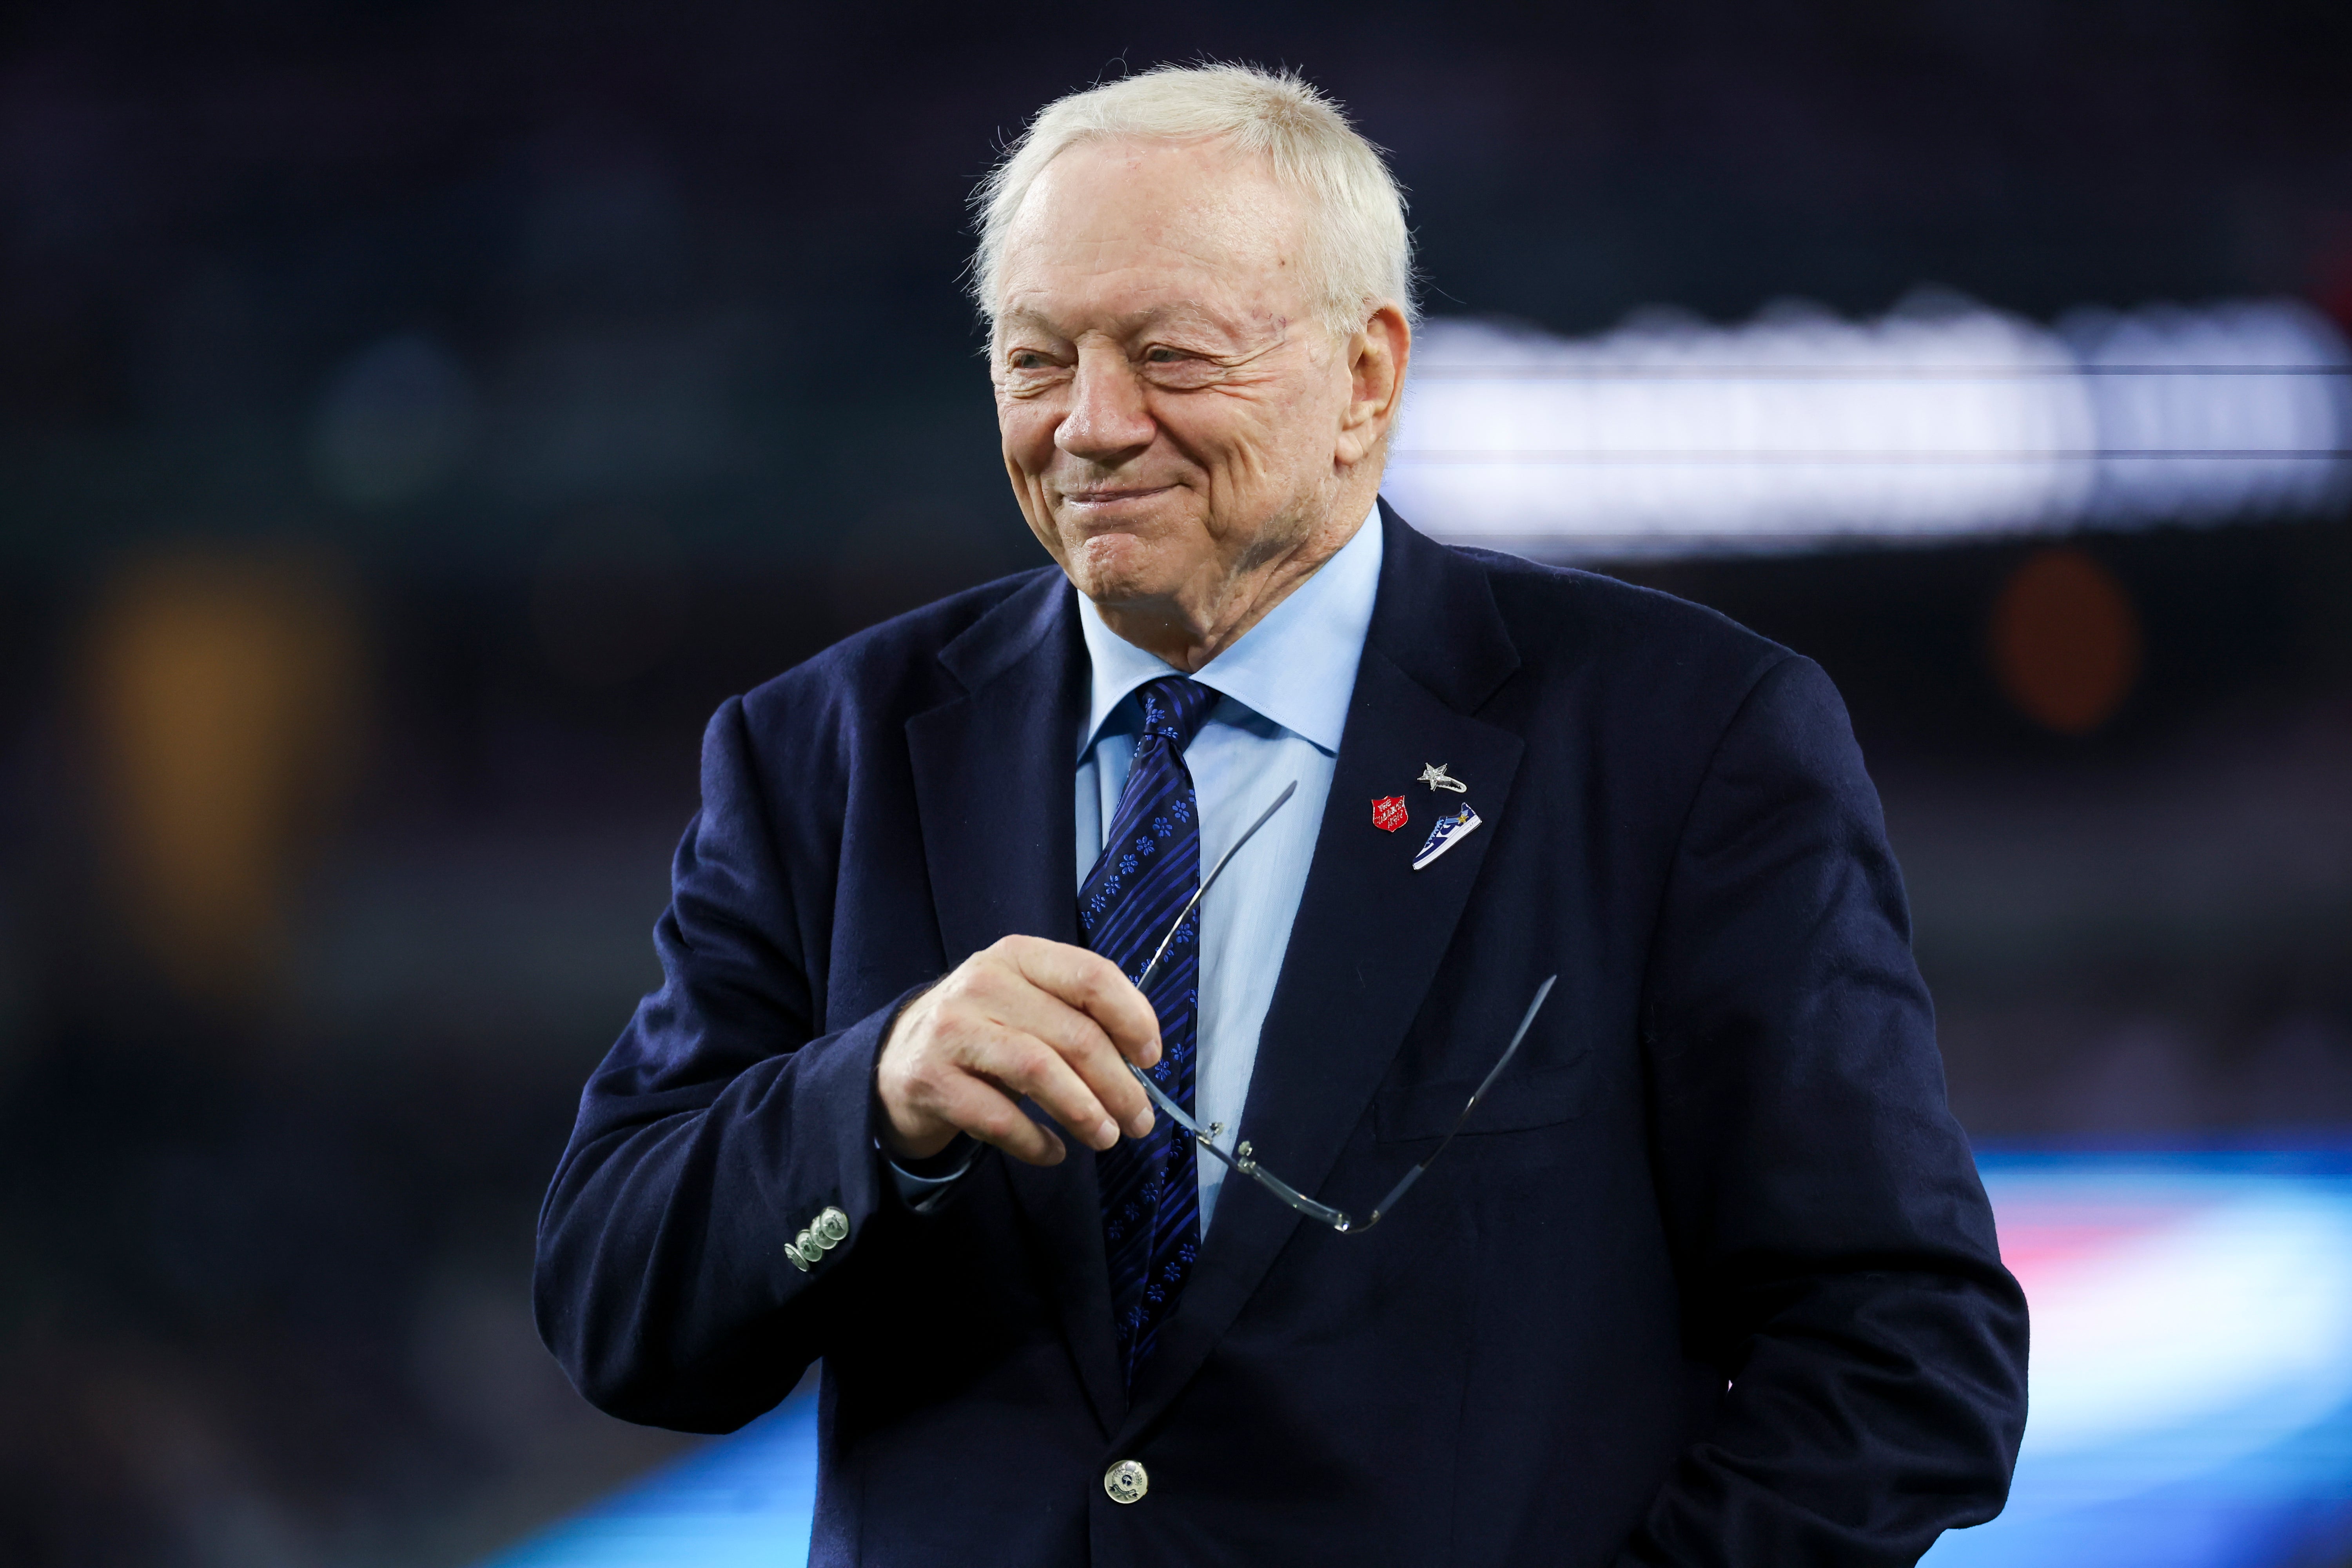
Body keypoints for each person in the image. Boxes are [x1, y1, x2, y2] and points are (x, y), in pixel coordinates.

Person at [534, 63, 2028, 1567]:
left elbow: (1901, 1353)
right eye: (1038, 359)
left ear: (1367, 374)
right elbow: (614, 1306)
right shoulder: (821, 752)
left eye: (1170, 356)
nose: (1092, 427)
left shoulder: (1683, 737)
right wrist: (870, 1105)